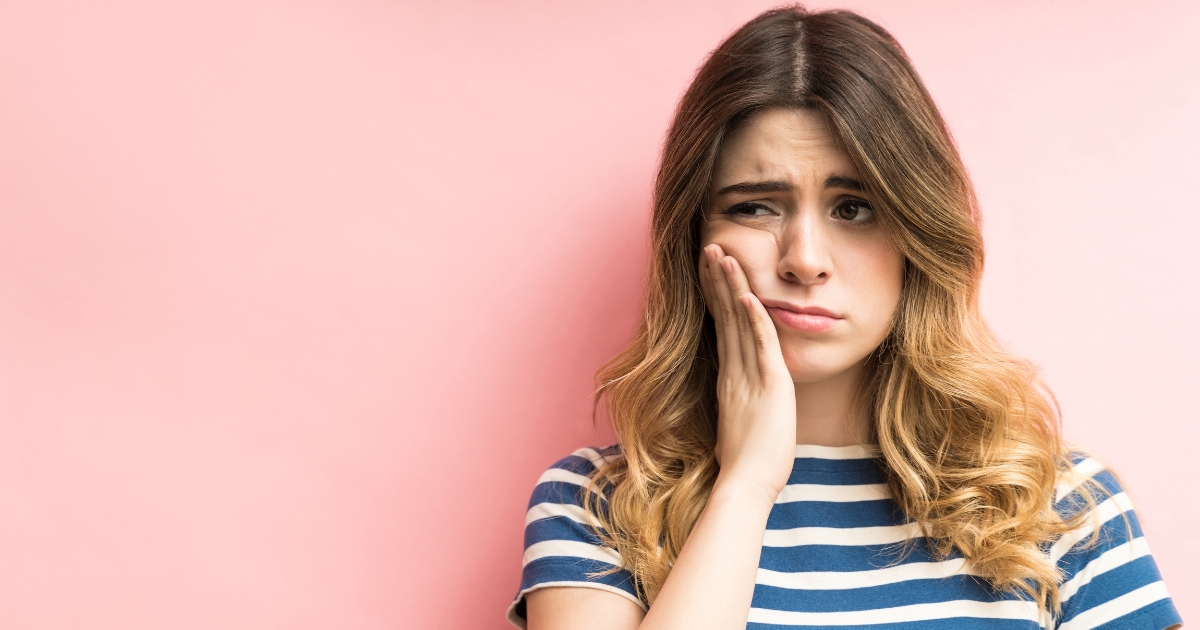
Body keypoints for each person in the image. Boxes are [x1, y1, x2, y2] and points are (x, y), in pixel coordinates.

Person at [507, 6, 1182, 629]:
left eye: (854, 207)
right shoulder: (593, 506)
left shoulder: (1061, 506)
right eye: (755, 205)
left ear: (917, 235)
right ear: (694, 238)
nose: (804, 260)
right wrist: (745, 486)